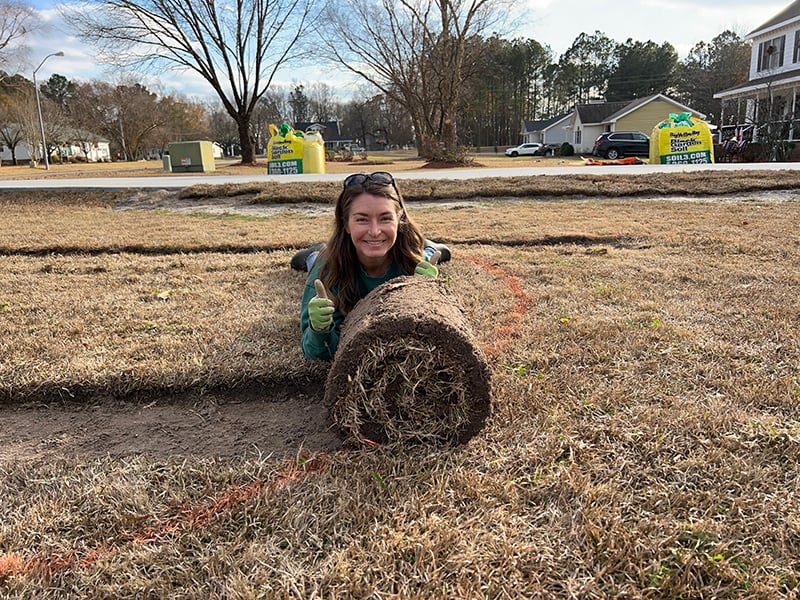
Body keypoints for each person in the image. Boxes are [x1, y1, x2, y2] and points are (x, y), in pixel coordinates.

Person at [297, 171, 450, 360]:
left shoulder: (412, 263)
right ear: (345, 224)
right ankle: (312, 254)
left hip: (406, 246)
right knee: (314, 258)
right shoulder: (325, 273)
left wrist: (428, 294)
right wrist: (320, 330)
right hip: (329, 257)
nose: (375, 231)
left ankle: (431, 248)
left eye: (385, 218)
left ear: (399, 220)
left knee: (425, 252)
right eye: (362, 219)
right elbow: (316, 352)